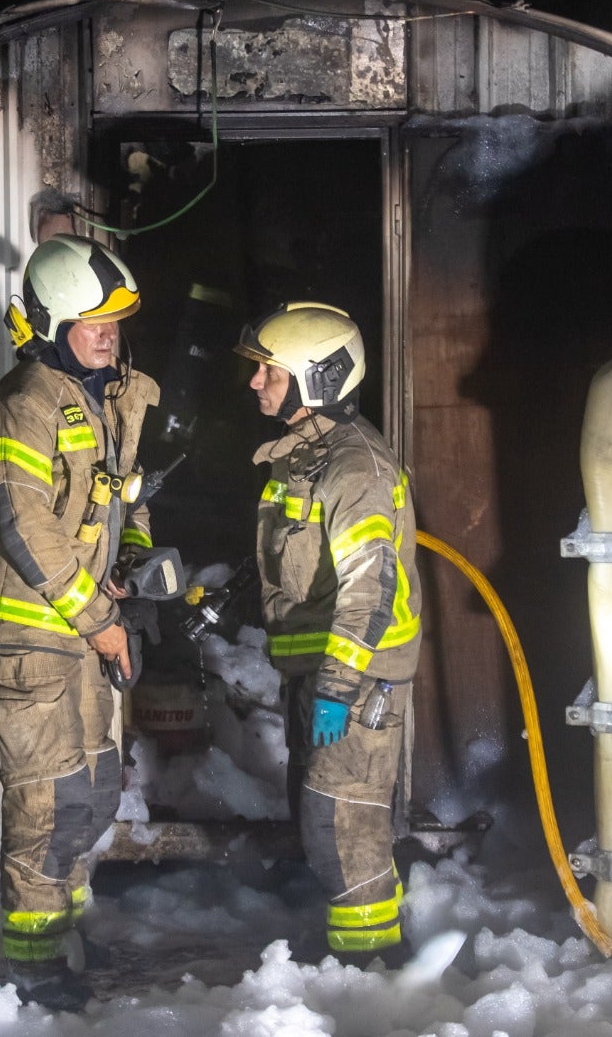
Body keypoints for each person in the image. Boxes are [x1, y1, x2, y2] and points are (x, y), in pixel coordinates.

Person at [0, 234, 159, 1006]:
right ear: (48, 325)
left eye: (115, 321)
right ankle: (34, 972)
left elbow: (117, 501)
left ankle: (63, 930)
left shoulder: (98, 400)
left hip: (81, 631)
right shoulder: (25, 405)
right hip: (34, 639)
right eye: (93, 321)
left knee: (94, 792)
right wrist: (101, 619)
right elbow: (26, 524)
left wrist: (133, 559)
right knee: (47, 806)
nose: (110, 333)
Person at [235, 301, 422, 962]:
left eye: (270, 373)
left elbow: (369, 594)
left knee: (342, 828)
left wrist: (339, 687)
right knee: (324, 823)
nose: (256, 383)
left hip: (356, 681)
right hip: (318, 675)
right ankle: (358, 958)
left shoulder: (355, 467)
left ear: (318, 378)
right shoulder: (305, 458)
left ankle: (372, 968)